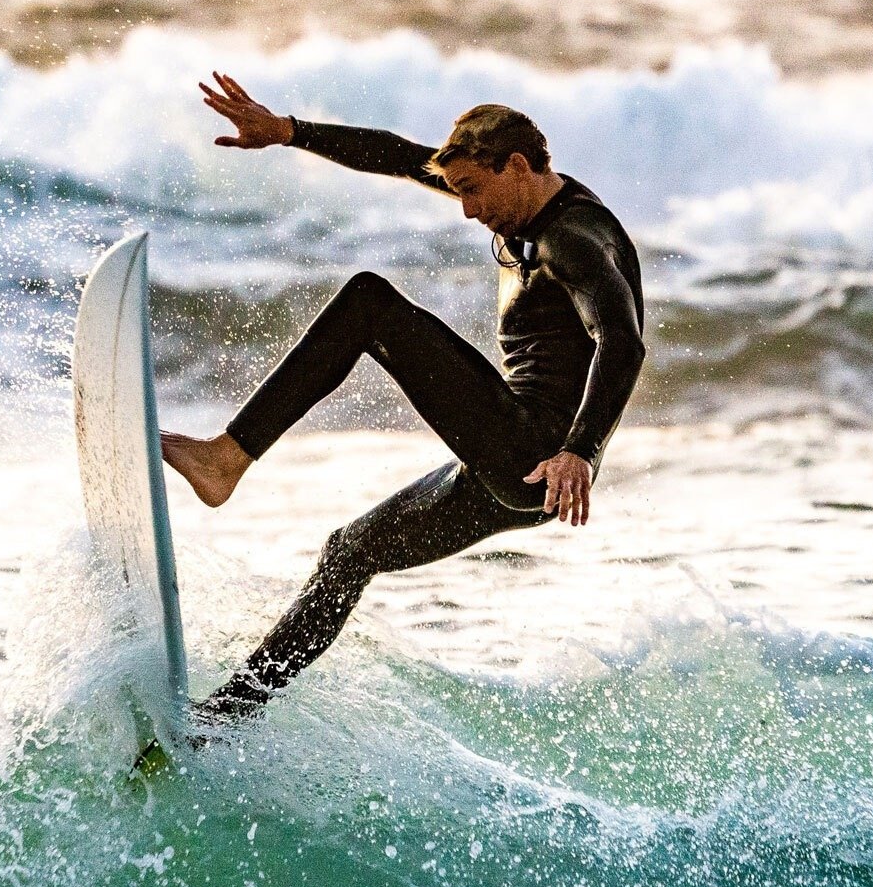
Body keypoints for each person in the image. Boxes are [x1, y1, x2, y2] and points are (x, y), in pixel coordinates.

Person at [163, 72, 645, 729]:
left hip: (538, 453)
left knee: (370, 305)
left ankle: (227, 458)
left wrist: (578, 453)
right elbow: (391, 153)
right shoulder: (512, 204)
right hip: (508, 463)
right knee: (348, 553)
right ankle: (221, 720)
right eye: (457, 192)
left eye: (474, 190)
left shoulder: (573, 240)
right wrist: (286, 132)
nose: (468, 210)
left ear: (518, 166)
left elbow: (622, 340)